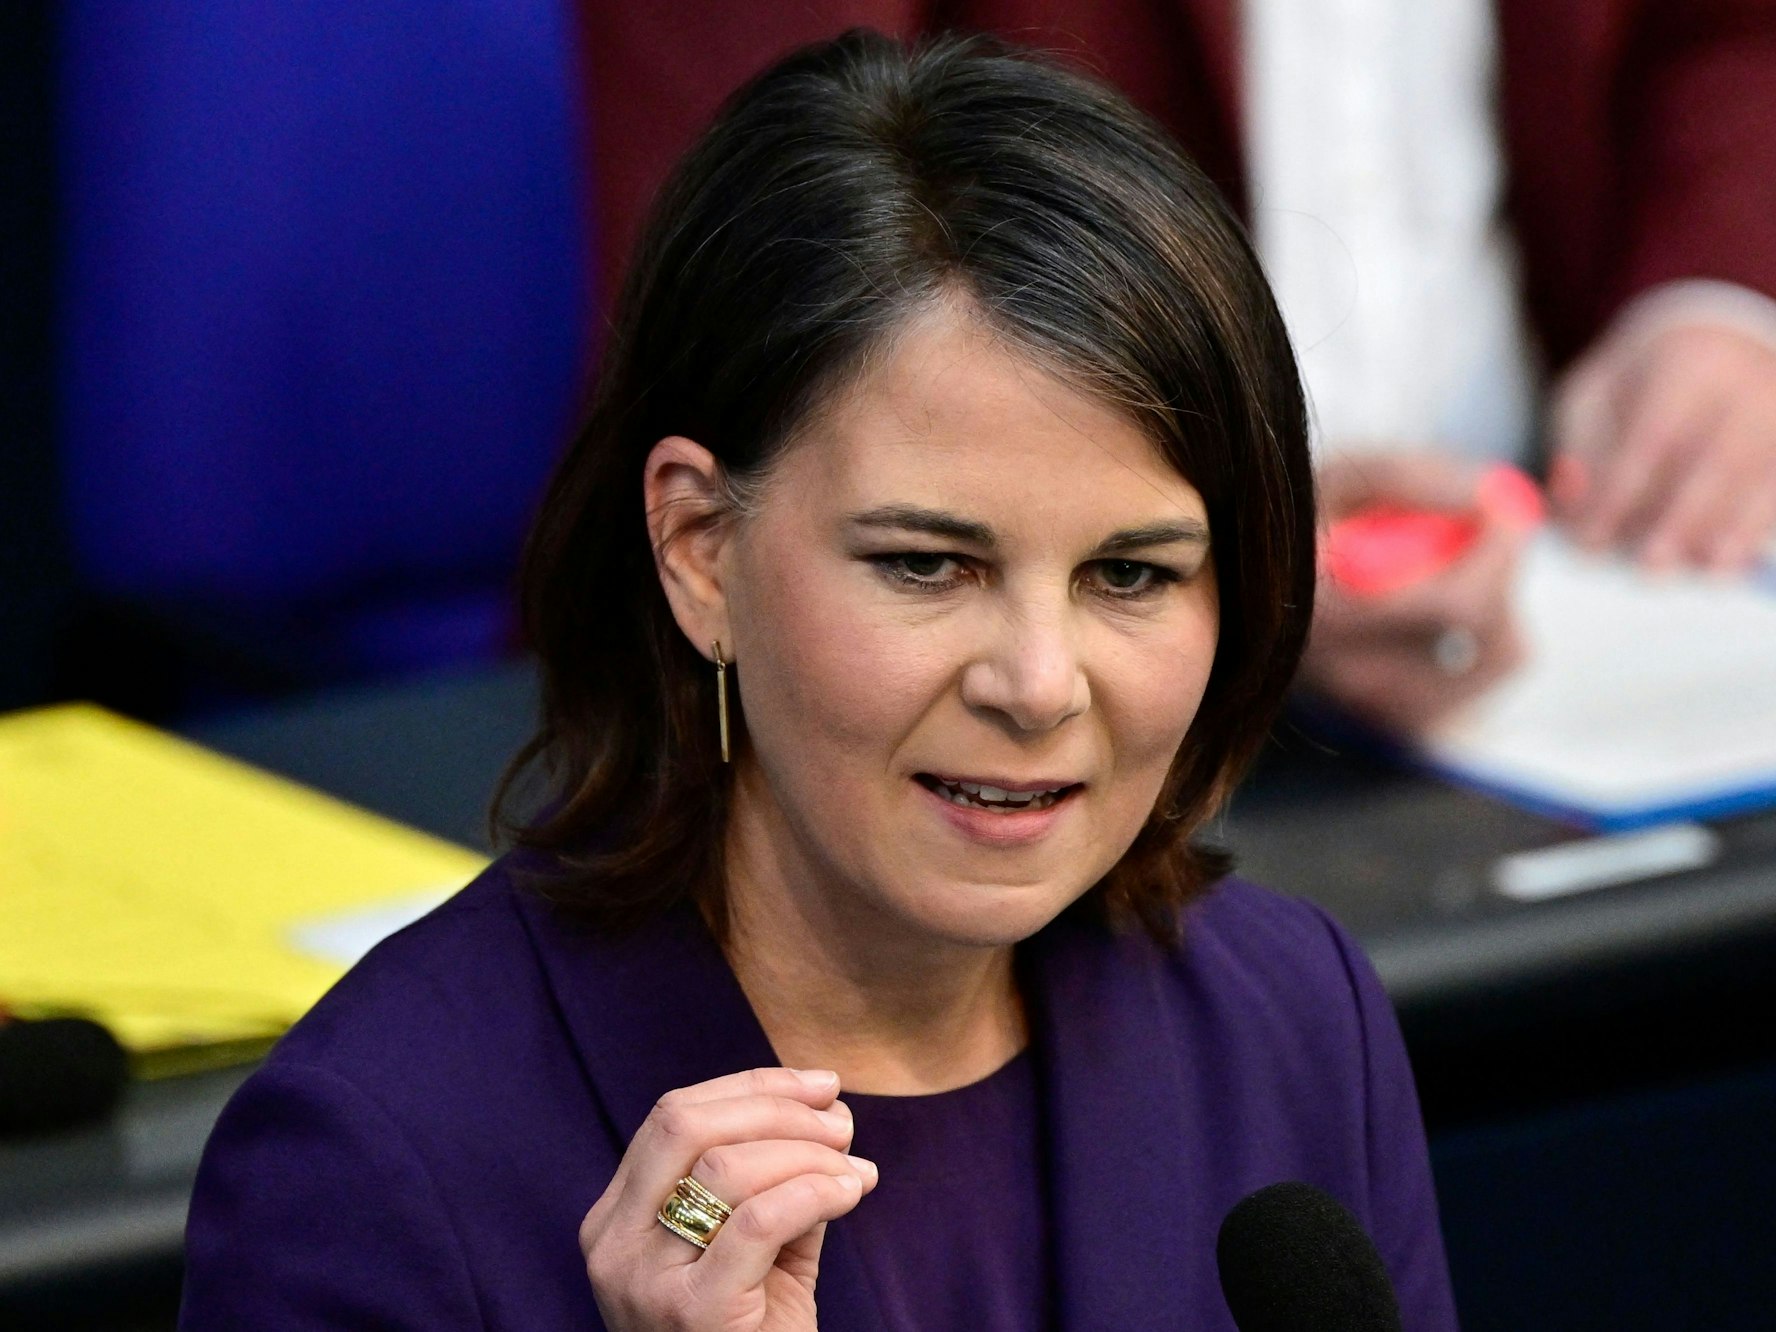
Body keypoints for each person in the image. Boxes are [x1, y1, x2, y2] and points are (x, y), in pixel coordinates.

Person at [179, 32, 1458, 1329]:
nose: (1038, 684)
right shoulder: (381, 1154)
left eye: (1130, 576)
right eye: (926, 565)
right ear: (700, 548)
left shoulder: (1292, 1021)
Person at [576, 0, 1776, 736]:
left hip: (1585, 597)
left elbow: (1722, 34)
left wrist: (1715, 300)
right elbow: (757, 240)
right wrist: (1207, 566)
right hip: (1024, 690)